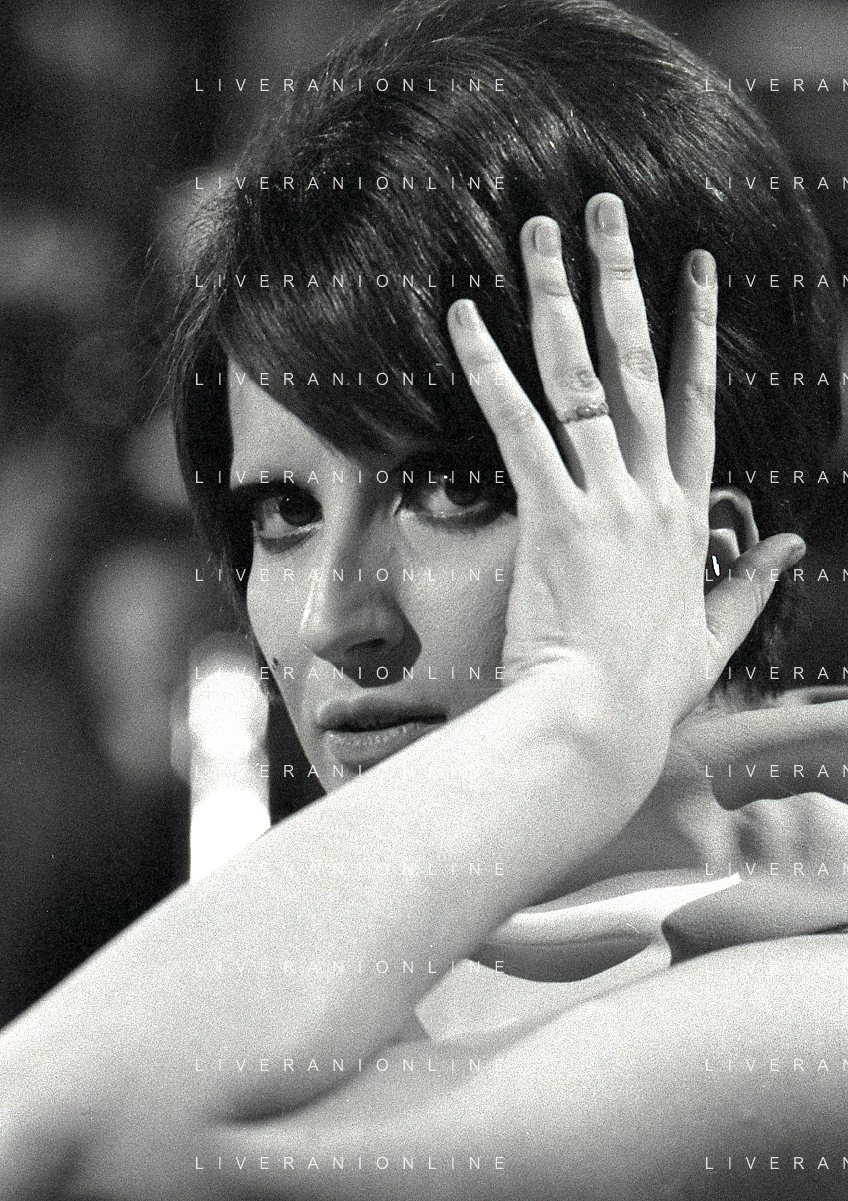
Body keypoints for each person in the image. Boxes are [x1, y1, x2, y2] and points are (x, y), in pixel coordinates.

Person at [2, 0, 847, 1197]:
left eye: (450, 490)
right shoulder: (357, 980)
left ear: (698, 551)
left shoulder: (810, 1016)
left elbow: (52, 1144)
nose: (327, 617)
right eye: (282, 513)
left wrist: (574, 718)